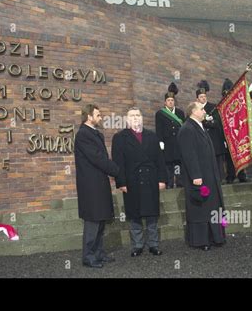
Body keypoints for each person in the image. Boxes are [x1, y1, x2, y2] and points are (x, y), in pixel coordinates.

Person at [111, 107, 167, 257]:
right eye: (132, 116)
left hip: (151, 180)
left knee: (152, 214)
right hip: (131, 181)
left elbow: (160, 160)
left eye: (138, 115)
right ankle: (137, 245)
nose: (135, 118)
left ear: (142, 118)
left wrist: (162, 179)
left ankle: (153, 244)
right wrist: (121, 182)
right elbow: (118, 163)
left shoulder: (152, 136)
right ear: (127, 119)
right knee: (134, 215)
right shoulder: (120, 138)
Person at [74, 104, 120, 268]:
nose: (101, 118)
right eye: (98, 115)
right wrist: (117, 171)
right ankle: (88, 256)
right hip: (90, 186)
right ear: (89, 116)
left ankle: (99, 253)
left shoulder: (95, 134)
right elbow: (97, 159)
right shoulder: (83, 135)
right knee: (93, 221)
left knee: (100, 220)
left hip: (99, 183)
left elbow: (101, 158)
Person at [177, 102, 226, 251]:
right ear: (193, 111)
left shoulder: (200, 126)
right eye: (201, 109)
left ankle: (215, 237)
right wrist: (196, 176)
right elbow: (189, 155)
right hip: (200, 178)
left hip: (209, 176)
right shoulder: (187, 129)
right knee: (202, 208)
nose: (204, 111)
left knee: (211, 206)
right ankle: (202, 240)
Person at [155, 82, 185, 188]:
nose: (170, 102)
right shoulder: (160, 114)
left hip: (178, 143)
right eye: (168, 100)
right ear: (165, 102)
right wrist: (160, 141)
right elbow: (159, 129)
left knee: (179, 164)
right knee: (168, 165)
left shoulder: (180, 113)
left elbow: (183, 128)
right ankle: (170, 184)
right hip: (167, 144)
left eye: (172, 100)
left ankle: (181, 183)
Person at [196, 80, 225, 182]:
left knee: (217, 161)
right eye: (201, 97)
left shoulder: (213, 107)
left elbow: (217, 122)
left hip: (214, 138)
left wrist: (207, 122)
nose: (203, 98)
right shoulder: (195, 109)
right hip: (202, 139)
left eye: (204, 96)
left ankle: (220, 179)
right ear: (197, 99)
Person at [220, 79, 248, 183]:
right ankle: (230, 175)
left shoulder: (237, 105)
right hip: (227, 136)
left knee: (240, 155)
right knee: (229, 158)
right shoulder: (221, 107)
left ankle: (242, 174)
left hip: (237, 134)